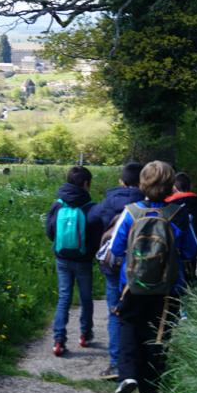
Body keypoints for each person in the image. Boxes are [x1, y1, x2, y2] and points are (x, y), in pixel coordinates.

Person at [108, 161, 197, 393]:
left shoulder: (130, 212)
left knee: (129, 327)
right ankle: (150, 390)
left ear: (142, 183)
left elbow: (116, 248)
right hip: (168, 288)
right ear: (171, 186)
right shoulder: (179, 215)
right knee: (158, 334)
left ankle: (127, 376)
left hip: (131, 285)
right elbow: (190, 251)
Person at [89, 162, 144, 380]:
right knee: (138, 312)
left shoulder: (108, 202)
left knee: (115, 311)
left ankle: (114, 363)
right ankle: (136, 364)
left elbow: (91, 221)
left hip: (113, 263)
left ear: (121, 180)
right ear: (142, 181)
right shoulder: (144, 202)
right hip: (140, 265)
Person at [46, 166, 103, 356]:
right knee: (86, 298)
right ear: (86, 184)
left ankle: (58, 341)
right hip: (84, 260)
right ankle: (85, 335)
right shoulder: (90, 207)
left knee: (64, 298)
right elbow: (97, 235)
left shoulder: (58, 204)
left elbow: (50, 231)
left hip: (62, 258)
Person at [165, 172, 197, 286]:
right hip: (192, 248)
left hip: (173, 250)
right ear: (190, 186)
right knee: (190, 275)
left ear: (174, 187)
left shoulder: (168, 205)